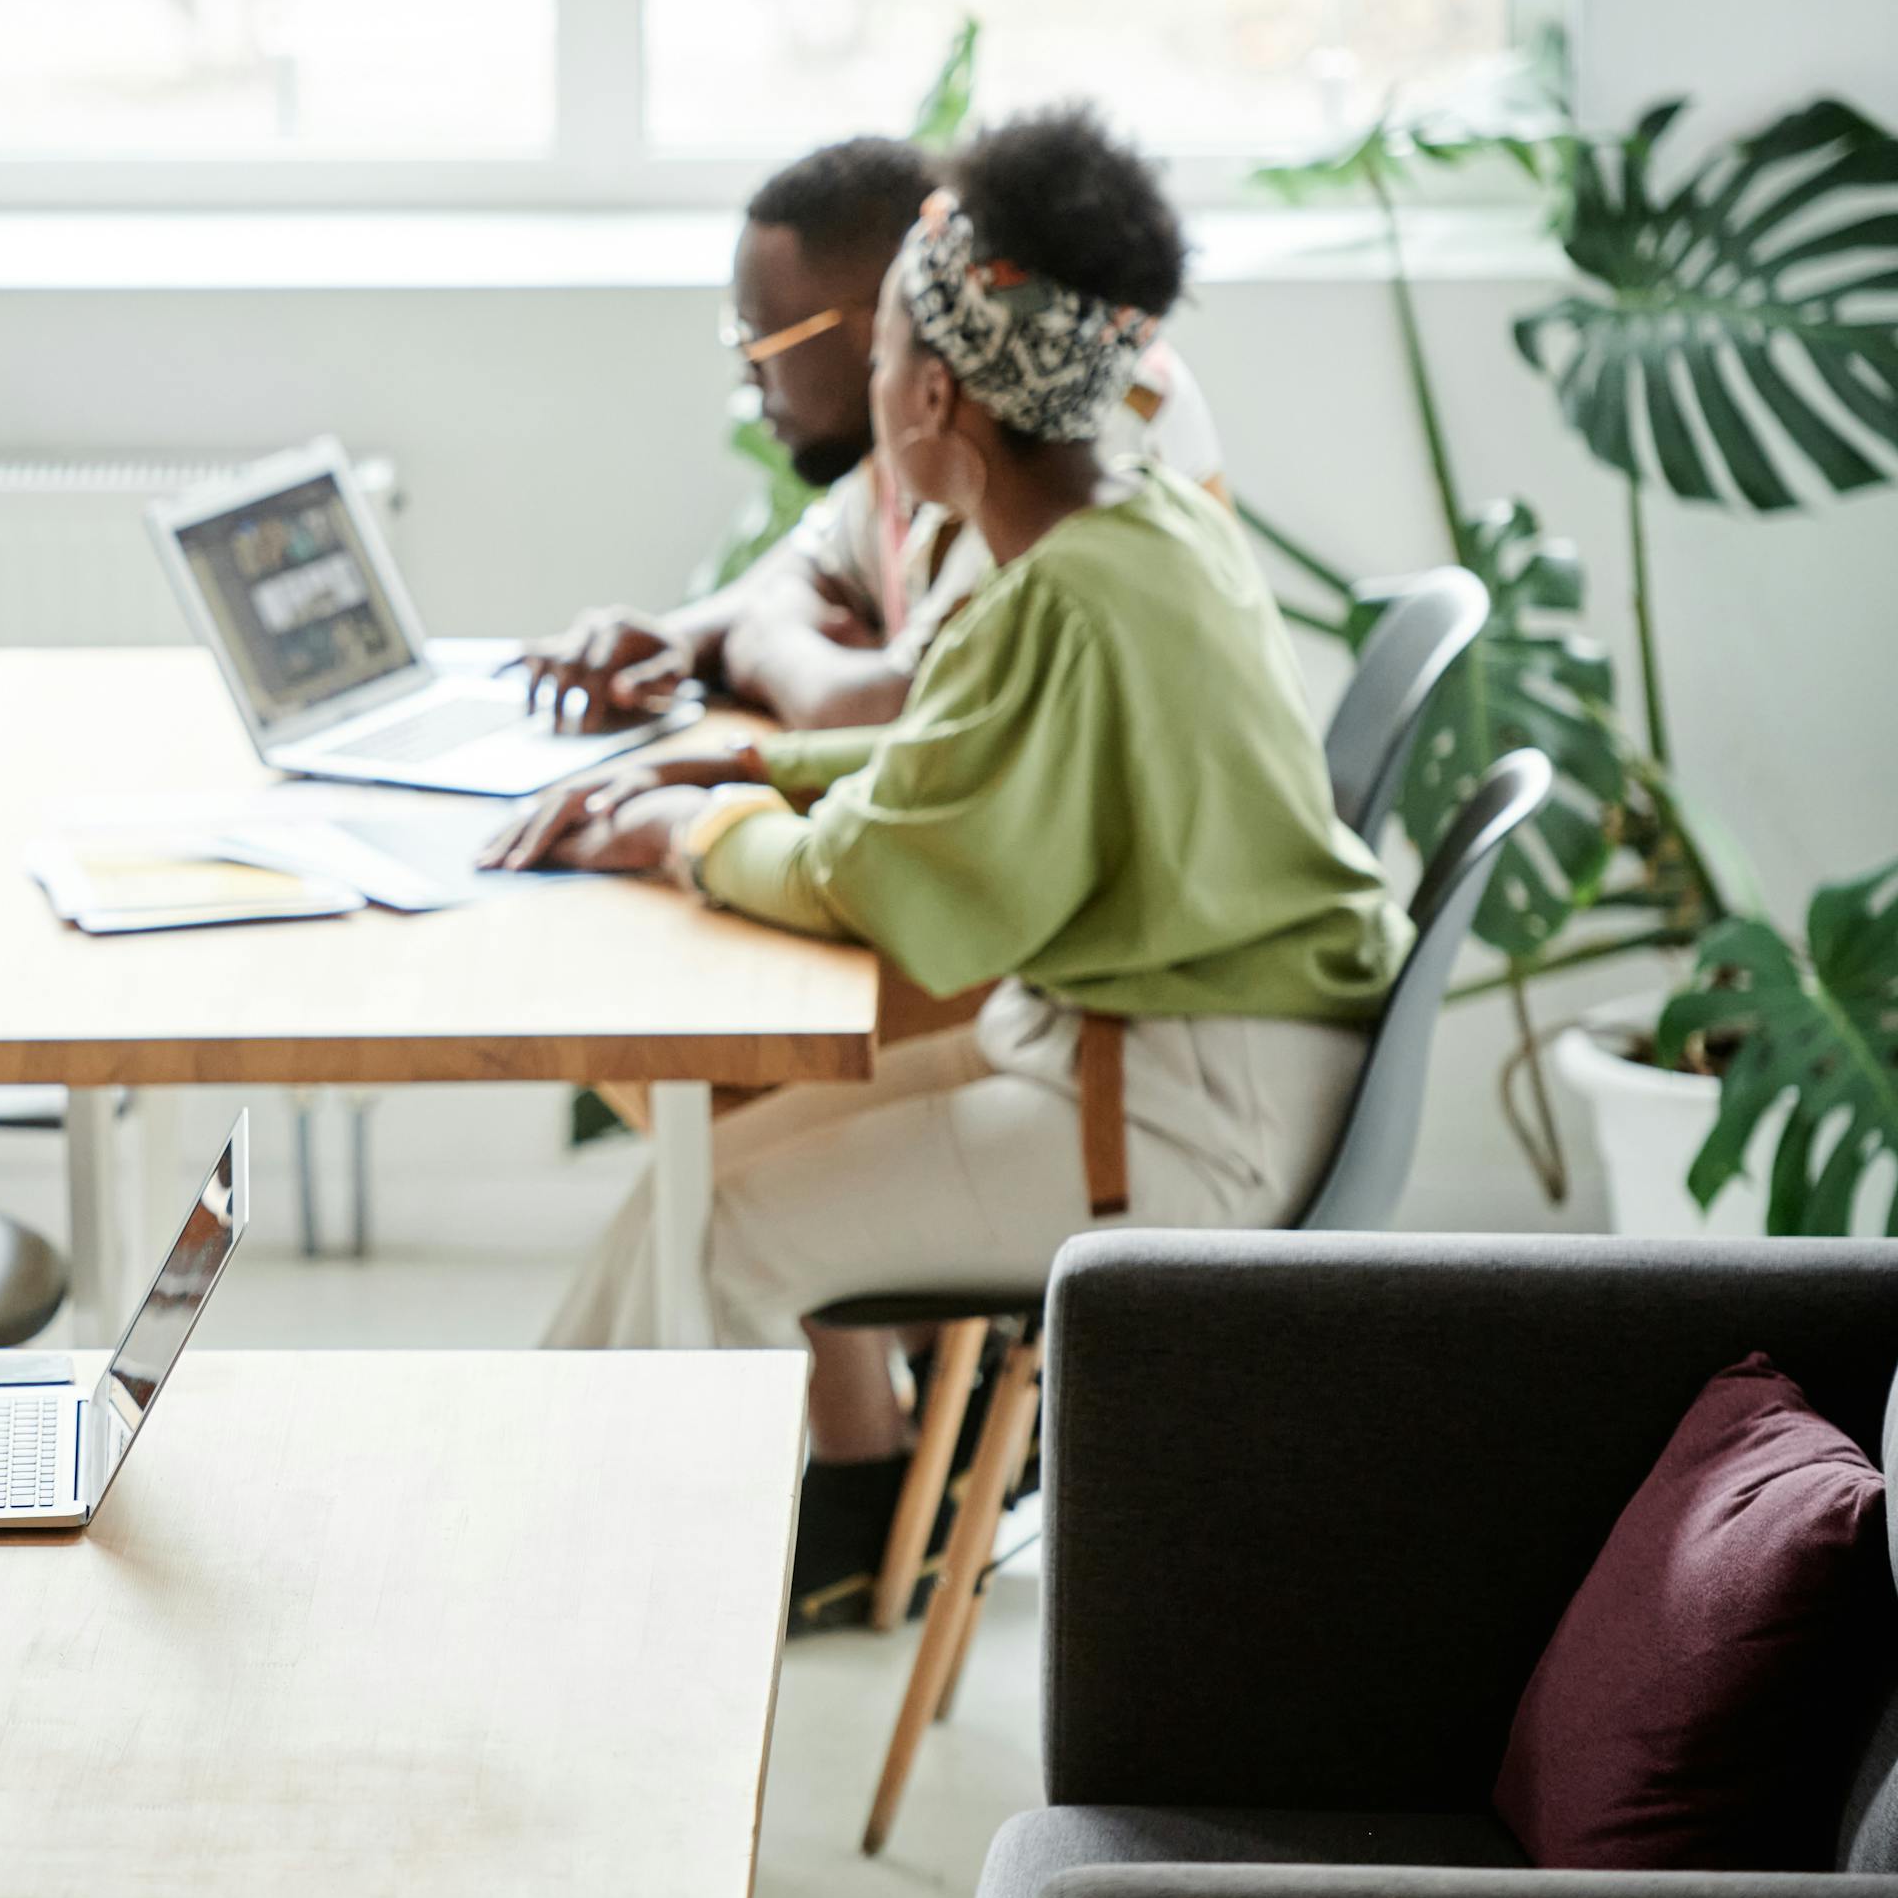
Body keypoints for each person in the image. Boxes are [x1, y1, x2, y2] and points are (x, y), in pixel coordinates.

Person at [485, 109, 1406, 1628]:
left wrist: (678, 831)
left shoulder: (1057, 594)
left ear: (924, 397)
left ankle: (588, 1620)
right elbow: (953, 765)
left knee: (707, 1235)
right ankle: (523, 1570)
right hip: (1154, 1054)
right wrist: (740, 765)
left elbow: (893, 877)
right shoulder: (1119, 527)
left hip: (1173, 1113)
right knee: (690, 1181)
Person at [516, 134, 1227, 735]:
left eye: (759, 338)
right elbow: (819, 565)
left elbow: (923, 713)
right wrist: (679, 639)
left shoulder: (1059, 415)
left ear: (889, 315)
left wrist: (771, 648)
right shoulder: (923, 428)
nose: (747, 379)